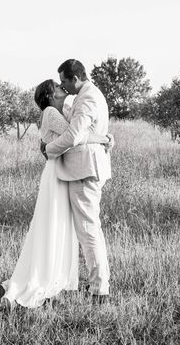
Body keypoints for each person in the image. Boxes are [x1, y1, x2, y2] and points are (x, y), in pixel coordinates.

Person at [0, 79, 112, 309]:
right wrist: (104, 139)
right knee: (52, 225)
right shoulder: (50, 112)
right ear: (50, 95)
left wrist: (105, 135)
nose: (63, 88)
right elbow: (75, 135)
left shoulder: (66, 109)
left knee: (62, 227)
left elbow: (84, 127)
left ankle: (56, 279)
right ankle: (42, 278)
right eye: (57, 87)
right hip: (56, 174)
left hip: (66, 172)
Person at [43, 59, 112, 304]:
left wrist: (48, 149)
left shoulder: (88, 97)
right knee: (87, 229)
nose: (62, 86)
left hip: (84, 170)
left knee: (88, 230)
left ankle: (99, 290)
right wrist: (104, 137)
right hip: (82, 169)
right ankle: (95, 285)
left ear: (74, 78)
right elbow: (83, 133)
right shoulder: (86, 96)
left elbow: (74, 136)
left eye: (63, 81)